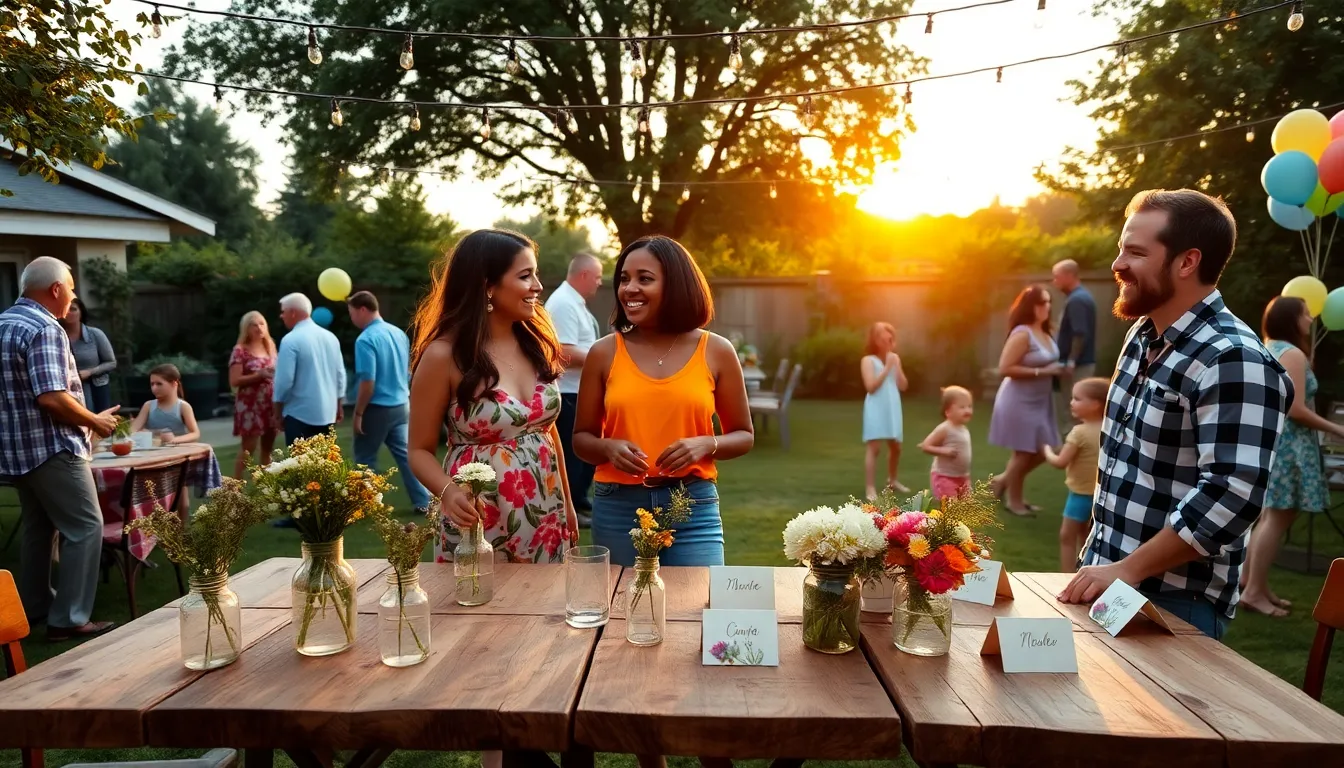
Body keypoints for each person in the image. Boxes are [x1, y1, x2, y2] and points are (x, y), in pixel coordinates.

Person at [1058, 189, 1291, 641]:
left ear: (1187, 262)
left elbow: (1231, 497)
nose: (1117, 263)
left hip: (1175, 603)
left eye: (1136, 252)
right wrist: (1106, 568)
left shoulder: (1233, 358)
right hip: (1109, 580)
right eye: (1122, 247)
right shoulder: (1143, 336)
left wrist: (1128, 569)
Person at [573, 235, 754, 568]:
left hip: (693, 503)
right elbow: (582, 439)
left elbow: (743, 435)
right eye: (624, 279)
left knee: (697, 608)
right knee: (622, 610)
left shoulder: (717, 351)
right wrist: (609, 448)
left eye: (645, 279)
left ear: (675, 285)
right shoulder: (603, 353)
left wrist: (706, 443)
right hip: (618, 506)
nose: (629, 289)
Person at [408, 229, 579, 571]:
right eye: (525, 275)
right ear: (488, 285)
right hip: (481, 514)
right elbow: (418, 450)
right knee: (480, 618)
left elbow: (546, 431)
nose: (538, 286)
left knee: (545, 612)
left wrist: (569, 506)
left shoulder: (535, 343)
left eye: (536, 274)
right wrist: (448, 492)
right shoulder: (444, 356)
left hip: (547, 510)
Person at [0, 256, 119, 641]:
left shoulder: (3, 324)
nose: (72, 295)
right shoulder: (45, 328)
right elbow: (51, 397)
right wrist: (94, 421)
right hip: (52, 449)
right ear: (55, 290)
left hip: (15, 451)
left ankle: (33, 607)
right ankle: (68, 619)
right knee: (86, 526)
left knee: (39, 527)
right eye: (70, 287)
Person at [1241, 296, 1344, 617]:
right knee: (1279, 516)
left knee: (1271, 516)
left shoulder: (1266, 347)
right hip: (1291, 446)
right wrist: (1338, 430)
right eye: (1305, 314)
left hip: (1273, 441)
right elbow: (1296, 408)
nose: (1311, 320)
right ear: (1291, 319)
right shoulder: (1293, 353)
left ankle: (1252, 582)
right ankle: (1254, 592)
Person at [347, 290, 432, 514]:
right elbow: (408, 371)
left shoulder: (365, 339)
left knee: (365, 457)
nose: (352, 319)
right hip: (401, 404)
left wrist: (358, 414)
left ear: (362, 309)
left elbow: (368, 382)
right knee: (406, 457)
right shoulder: (397, 333)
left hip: (377, 407)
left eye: (352, 313)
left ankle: (368, 505)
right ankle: (423, 501)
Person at [988, 285, 1063, 516]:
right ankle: (1015, 502)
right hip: (1019, 400)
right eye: (1041, 303)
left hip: (1040, 400)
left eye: (1048, 302)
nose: (1046, 307)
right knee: (1023, 453)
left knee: (1043, 451)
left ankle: (1001, 482)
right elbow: (1004, 368)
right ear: (1030, 306)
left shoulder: (1045, 330)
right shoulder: (1022, 333)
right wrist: (1044, 372)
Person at [544, 253, 603, 526]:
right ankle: (572, 509)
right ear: (583, 276)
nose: (600, 283)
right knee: (574, 454)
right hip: (568, 392)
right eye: (598, 277)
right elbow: (564, 351)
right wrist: (605, 357)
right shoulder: (564, 303)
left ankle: (579, 500)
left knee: (585, 455)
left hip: (581, 390)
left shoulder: (574, 302)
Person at [1042, 377, 1107, 573]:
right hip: (1099, 496)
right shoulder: (1108, 429)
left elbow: (1060, 462)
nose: (1071, 402)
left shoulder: (1078, 432)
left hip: (1079, 495)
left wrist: (1046, 451)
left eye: (1077, 399)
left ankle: (1066, 578)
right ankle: (1085, 573)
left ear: (1095, 404)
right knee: (1086, 538)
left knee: (1067, 538)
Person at [272, 292, 345, 446]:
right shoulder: (331, 337)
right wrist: (338, 404)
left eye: (283, 312)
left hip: (299, 414)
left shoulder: (290, 340)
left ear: (293, 312)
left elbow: (284, 381)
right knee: (324, 465)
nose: (281, 316)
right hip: (328, 413)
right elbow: (340, 375)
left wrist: (277, 411)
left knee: (300, 467)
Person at [860, 321, 909, 499]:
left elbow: (903, 386)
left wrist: (895, 366)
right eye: (882, 333)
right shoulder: (868, 361)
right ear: (875, 338)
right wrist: (887, 367)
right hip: (876, 406)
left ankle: (893, 480)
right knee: (874, 448)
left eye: (889, 333)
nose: (886, 336)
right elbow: (871, 387)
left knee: (896, 447)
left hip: (892, 405)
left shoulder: (894, 358)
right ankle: (870, 488)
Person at [228, 311, 279, 478]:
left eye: (262, 323)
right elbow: (234, 380)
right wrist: (259, 375)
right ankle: (235, 487)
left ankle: (267, 487)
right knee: (248, 447)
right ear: (246, 328)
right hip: (250, 405)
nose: (259, 328)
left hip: (270, 403)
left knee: (268, 446)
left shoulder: (270, 347)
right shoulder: (240, 351)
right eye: (254, 324)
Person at [59, 297, 117, 413]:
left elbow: (111, 363)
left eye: (73, 309)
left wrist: (90, 372)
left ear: (81, 312)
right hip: (67, 388)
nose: (69, 312)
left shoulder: (95, 334)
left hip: (95, 386)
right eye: (66, 309)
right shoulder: (57, 336)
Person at [919, 385, 974, 502]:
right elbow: (925, 446)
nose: (968, 410)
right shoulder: (945, 428)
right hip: (944, 477)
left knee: (968, 508)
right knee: (951, 509)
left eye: (969, 406)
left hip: (963, 477)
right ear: (948, 411)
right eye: (962, 407)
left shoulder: (963, 428)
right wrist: (944, 451)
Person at [129, 364, 201, 445]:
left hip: (176, 450)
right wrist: (144, 433)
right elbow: (132, 431)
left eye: (159, 384)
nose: (154, 388)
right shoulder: (148, 406)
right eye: (152, 384)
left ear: (174, 383)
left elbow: (195, 434)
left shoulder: (183, 406)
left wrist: (174, 440)